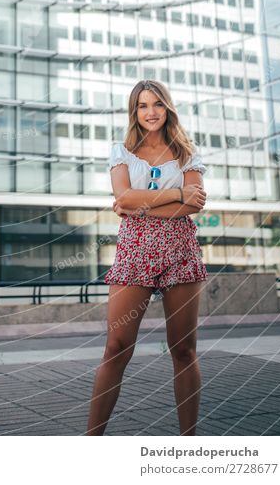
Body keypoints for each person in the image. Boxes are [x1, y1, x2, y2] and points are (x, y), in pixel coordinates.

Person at [86, 79, 208, 436]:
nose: (150, 112)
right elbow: (122, 200)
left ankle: (189, 444)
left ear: (167, 108)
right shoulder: (121, 151)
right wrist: (176, 193)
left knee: (183, 349)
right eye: (142, 105)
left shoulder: (187, 153)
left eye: (156, 104)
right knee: (116, 346)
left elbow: (195, 204)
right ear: (134, 111)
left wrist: (142, 204)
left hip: (181, 250)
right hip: (134, 250)